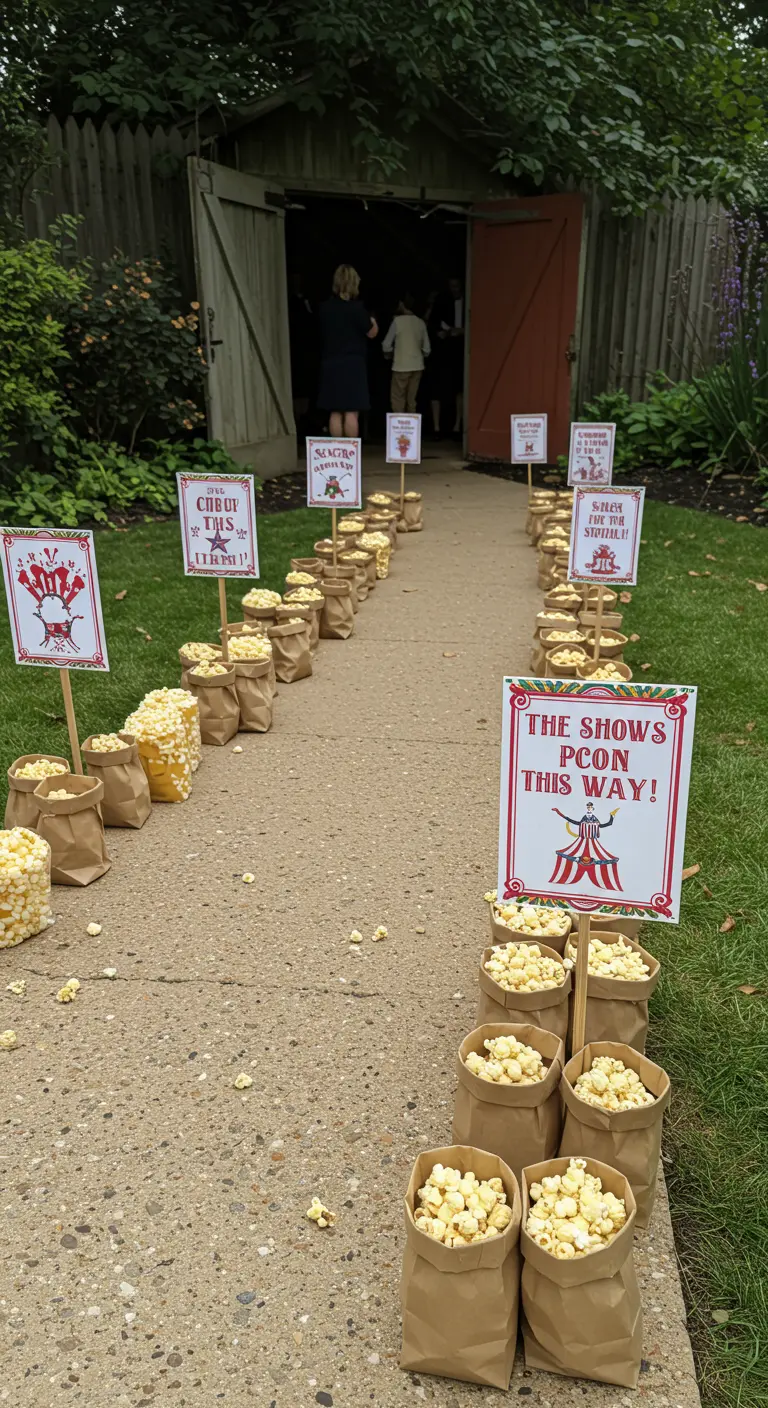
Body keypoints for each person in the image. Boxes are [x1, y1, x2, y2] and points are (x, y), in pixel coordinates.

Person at [317, 265, 378, 437]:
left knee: (335, 412)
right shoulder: (357, 309)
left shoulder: (325, 308)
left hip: (331, 363)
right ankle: (350, 457)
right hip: (352, 364)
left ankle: (338, 455)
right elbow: (372, 333)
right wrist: (372, 319)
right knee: (351, 412)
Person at [381, 293, 431, 412]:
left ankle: (399, 429)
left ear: (401, 304)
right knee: (411, 400)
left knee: (398, 399)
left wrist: (390, 353)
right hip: (417, 366)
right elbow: (427, 349)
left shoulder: (397, 321)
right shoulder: (420, 322)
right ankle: (411, 428)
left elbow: (386, 345)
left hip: (401, 366)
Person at [287, 270, 317, 436]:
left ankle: (301, 424)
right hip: (294, 349)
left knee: (303, 389)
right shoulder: (288, 303)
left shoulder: (307, 302)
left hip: (305, 351)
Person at [437, 275, 465, 437]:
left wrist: (463, 331)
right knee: (445, 387)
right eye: (451, 286)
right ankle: (442, 427)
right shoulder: (444, 303)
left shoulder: (469, 302)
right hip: (447, 348)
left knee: (461, 388)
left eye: (456, 286)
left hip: (463, 347)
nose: (454, 289)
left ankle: (458, 426)